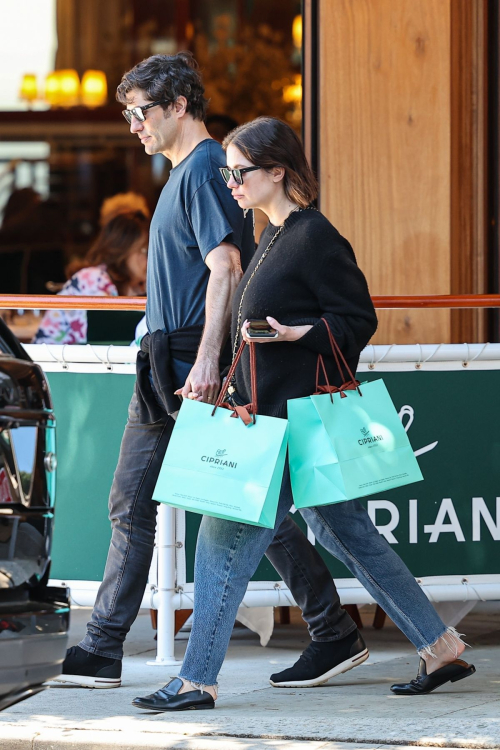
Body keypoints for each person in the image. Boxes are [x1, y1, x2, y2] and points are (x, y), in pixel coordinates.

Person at [132, 117, 475, 712]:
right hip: (278, 420)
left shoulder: (314, 237)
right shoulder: (271, 236)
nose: (231, 183)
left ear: (277, 172)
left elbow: (357, 319)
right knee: (354, 538)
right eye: (227, 173)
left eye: (240, 173)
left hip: (291, 425)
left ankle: (196, 681)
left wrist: (302, 331)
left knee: (219, 540)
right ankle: (440, 645)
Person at [55, 53, 364, 691]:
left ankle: (103, 648)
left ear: (177, 107)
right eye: (128, 113)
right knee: (237, 505)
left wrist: (202, 362)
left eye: (141, 111)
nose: (133, 124)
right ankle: (332, 629)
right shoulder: (189, 173)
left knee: (159, 503)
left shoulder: (201, 171)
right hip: (175, 357)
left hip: (191, 359)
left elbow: (225, 265)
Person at [32, 211, 149, 345]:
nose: (151, 258)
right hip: (50, 361)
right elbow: (104, 335)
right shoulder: (92, 278)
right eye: (144, 250)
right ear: (122, 250)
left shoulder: (135, 288)